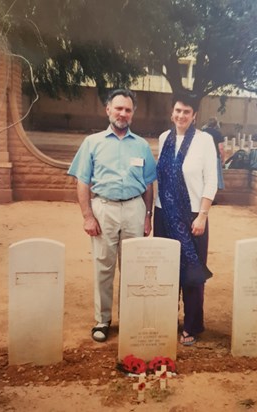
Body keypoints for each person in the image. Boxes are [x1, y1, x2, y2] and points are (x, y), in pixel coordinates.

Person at [68, 89, 157, 343]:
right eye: (118, 108)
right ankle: (102, 319)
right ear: (108, 109)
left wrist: (148, 215)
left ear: (133, 114)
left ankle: (130, 316)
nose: (123, 113)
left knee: (134, 267)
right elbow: (82, 182)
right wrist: (87, 216)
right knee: (103, 266)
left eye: (128, 110)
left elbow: (149, 184)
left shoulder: (141, 145)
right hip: (104, 209)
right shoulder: (92, 143)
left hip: (134, 209)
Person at [153, 91, 217, 346]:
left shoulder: (204, 141)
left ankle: (191, 325)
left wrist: (203, 215)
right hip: (163, 213)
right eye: (178, 111)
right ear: (172, 113)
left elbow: (211, 179)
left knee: (191, 272)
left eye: (186, 112)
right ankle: (167, 319)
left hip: (192, 215)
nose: (181, 115)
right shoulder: (164, 138)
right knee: (166, 270)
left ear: (194, 116)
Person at [202, 117, 225, 190]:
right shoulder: (217, 133)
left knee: (204, 177)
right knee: (214, 178)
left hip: (204, 157)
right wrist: (223, 159)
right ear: (216, 125)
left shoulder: (203, 132)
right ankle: (211, 198)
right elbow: (220, 148)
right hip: (214, 158)